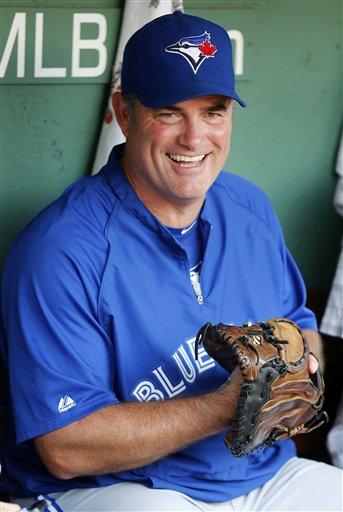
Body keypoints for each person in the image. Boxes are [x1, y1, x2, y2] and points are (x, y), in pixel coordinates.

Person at [0, 11, 342, 512]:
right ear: (124, 113)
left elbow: (301, 327)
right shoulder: (60, 250)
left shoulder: (249, 210)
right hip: (116, 489)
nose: (194, 138)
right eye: (169, 112)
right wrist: (228, 405)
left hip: (253, 474)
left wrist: (301, 373)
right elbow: (65, 447)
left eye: (213, 111)